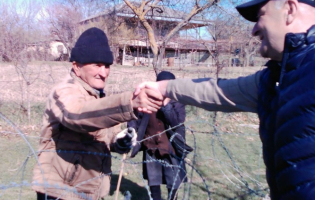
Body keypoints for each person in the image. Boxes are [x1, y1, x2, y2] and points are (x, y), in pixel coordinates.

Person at [135, 0, 315, 199]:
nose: (253, 30)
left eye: (261, 15)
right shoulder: (275, 79)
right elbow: (217, 91)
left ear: (289, 9)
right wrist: (163, 87)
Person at [32, 27, 162, 200]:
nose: (103, 73)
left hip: (90, 192)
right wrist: (129, 103)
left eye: (107, 66)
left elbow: (109, 135)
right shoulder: (64, 91)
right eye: (97, 65)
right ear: (77, 67)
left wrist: (120, 140)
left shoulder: (99, 98)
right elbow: (75, 115)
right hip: (60, 192)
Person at [127, 71, 191, 200]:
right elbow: (134, 116)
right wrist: (132, 130)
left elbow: (176, 122)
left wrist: (165, 104)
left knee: (173, 182)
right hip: (151, 147)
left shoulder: (178, 102)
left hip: (171, 148)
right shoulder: (147, 100)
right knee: (153, 181)